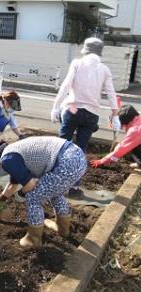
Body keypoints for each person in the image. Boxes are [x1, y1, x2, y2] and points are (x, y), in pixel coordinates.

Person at [0, 136, 87, 249]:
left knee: (33, 197)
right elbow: (12, 185)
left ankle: (33, 239)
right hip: (77, 157)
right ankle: (63, 229)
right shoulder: (10, 153)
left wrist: (20, 194)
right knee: (55, 193)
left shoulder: (7, 160)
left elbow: (30, 184)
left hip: (66, 162)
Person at [50, 37, 120, 197]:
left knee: (62, 146)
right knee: (80, 150)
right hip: (91, 114)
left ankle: (56, 182)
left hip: (72, 109)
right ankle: (74, 187)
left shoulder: (77, 63)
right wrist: (115, 115)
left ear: (85, 50)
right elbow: (111, 93)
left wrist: (55, 106)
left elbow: (66, 85)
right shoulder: (104, 69)